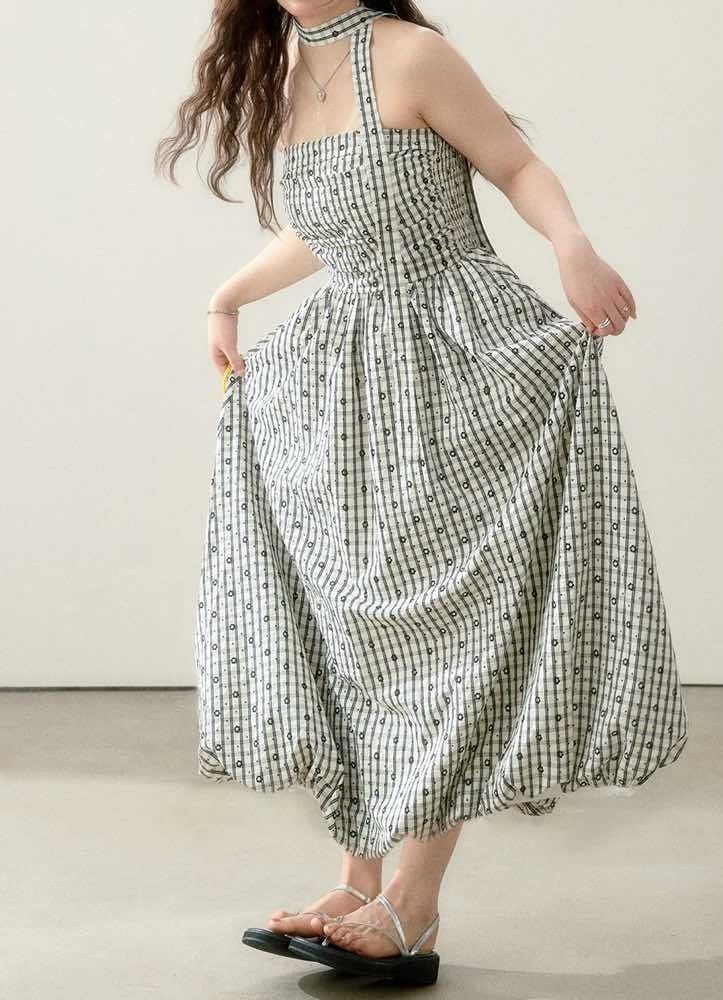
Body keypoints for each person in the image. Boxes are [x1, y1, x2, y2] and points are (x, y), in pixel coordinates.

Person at [154, 0, 689, 985]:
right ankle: (355, 882)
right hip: (352, 379)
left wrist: (571, 245)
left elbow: (516, 167)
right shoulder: (289, 70)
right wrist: (227, 295)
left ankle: (415, 901)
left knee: (444, 632)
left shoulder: (411, 54)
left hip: (456, 360)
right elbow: (333, 234)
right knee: (355, 630)